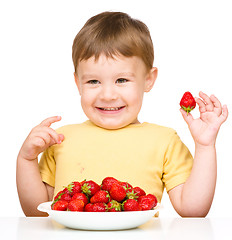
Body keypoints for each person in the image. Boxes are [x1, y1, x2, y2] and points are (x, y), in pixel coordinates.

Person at [16, 11, 228, 217]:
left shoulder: (164, 140)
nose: (108, 95)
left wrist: (205, 146)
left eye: (122, 80)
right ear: (78, 83)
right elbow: (36, 212)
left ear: (148, 79)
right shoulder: (60, 138)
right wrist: (27, 159)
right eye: (93, 81)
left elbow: (193, 210)